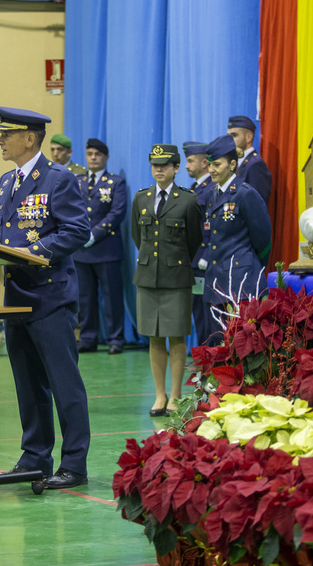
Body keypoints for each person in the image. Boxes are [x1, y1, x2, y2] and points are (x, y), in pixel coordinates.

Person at [0, 106, 91, 490]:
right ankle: (35, 457)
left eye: (6, 134)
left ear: (29, 138)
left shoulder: (58, 180)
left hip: (50, 296)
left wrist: (35, 249)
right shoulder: (6, 182)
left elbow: (77, 230)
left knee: (64, 384)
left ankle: (74, 464)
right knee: (28, 385)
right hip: (16, 299)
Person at [131, 145, 202, 417]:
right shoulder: (142, 199)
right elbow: (137, 235)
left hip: (177, 277)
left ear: (175, 167)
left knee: (177, 336)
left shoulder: (187, 200)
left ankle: (175, 395)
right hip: (148, 277)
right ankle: (159, 395)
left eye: (165, 165)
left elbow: (194, 240)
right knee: (154, 337)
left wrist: (174, 261)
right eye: (155, 165)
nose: (159, 169)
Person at [202, 135, 272, 340]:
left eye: (217, 164)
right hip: (217, 281)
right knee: (218, 343)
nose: (211, 170)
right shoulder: (210, 194)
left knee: (243, 343)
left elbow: (263, 239)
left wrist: (251, 267)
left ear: (232, 164)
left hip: (241, 282)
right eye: (209, 165)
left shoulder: (245, 194)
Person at [73, 138, 128, 354]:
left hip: (106, 249)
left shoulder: (116, 182)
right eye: (90, 154)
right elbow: (70, 210)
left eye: (97, 154)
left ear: (106, 157)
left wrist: (94, 234)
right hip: (80, 251)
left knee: (111, 297)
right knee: (85, 298)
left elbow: (117, 212)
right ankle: (87, 338)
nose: (93, 158)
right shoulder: (76, 182)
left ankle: (115, 339)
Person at [183, 141, 215, 346]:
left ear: (205, 163)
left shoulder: (211, 189)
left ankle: (210, 356)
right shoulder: (194, 189)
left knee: (208, 312)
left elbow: (212, 226)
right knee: (198, 311)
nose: (187, 166)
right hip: (194, 261)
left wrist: (206, 256)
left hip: (206, 261)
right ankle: (203, 355)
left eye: (190, 161)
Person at [227, 116, 272, 205]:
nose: (230, 141)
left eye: (234, 135)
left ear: (248, 137)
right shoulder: (235, 163)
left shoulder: (255, 165)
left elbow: (257, 205)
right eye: (228, 136)